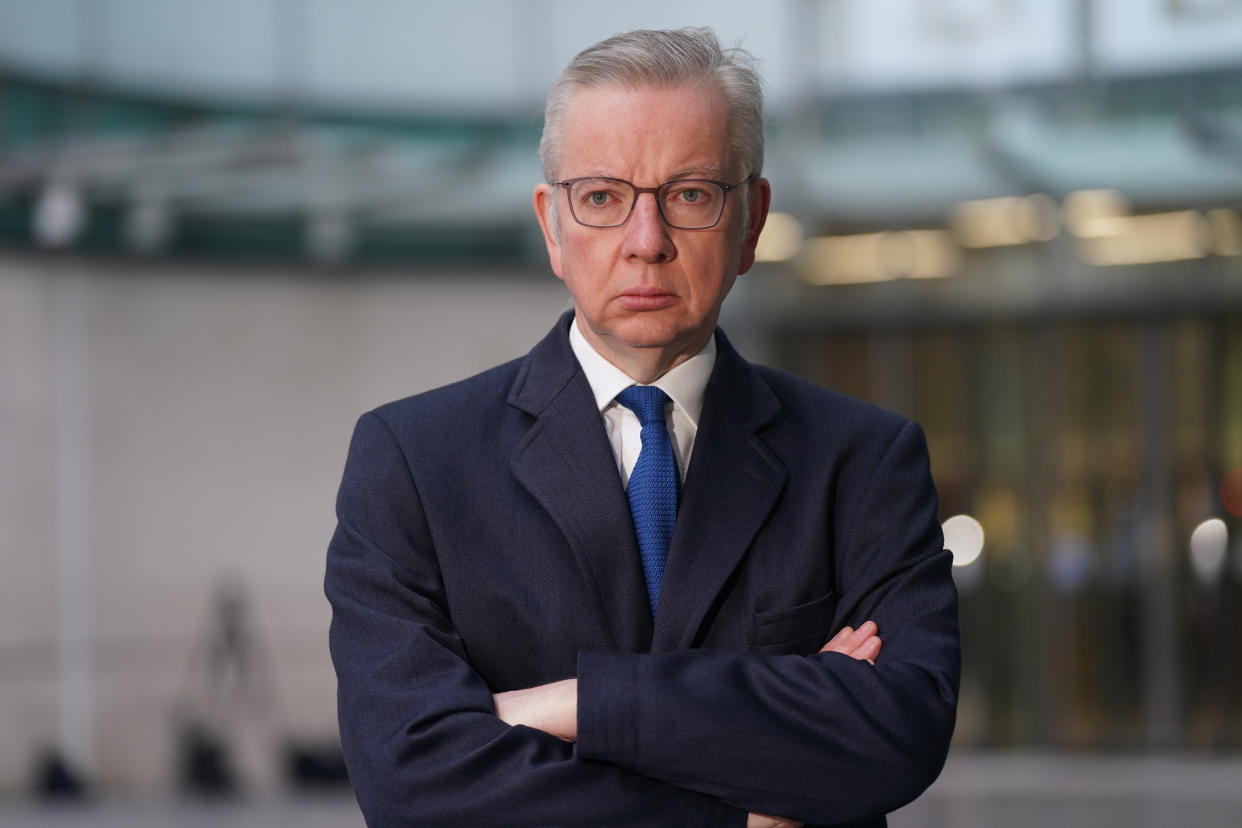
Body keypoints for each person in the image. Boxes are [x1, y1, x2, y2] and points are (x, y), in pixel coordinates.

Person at [326, 27, 958, 828]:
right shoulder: (413, 463)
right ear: (552, 224)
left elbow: (898, 730)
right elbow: (412, 779)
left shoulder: (864, 460)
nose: (647, 242)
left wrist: (577, 704)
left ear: (752, 221)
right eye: (602, 198)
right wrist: (736, 806)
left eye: (690, 194)